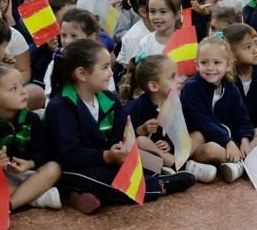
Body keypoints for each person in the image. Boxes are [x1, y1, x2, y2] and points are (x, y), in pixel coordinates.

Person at [45, 39, 166, 213]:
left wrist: (121, 149)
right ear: (81, 74)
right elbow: (68, 156)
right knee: (117, 184)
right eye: (104, 67)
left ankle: (80, 196)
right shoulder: (60, 106)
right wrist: (107, 156)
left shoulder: (109, 98)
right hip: (76, 168)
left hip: (109, 161)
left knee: (154, 162)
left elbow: (120, 133)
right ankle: (163, 185)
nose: (111, 73)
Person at [0, 64, 65, 210]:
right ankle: (34, 198)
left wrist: (29, 163)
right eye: (14, 89)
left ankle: (9, 205)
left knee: (54, 168)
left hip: (27, 175)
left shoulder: (31, 118)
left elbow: (43, 151)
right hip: (1, 179)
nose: (23, 92)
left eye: (22, 85)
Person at [180, 35, 253, 183]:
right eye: (204, 62)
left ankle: (236, 160)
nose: (210, 68)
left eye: (217, 62)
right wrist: (228, 142)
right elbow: (203, 122)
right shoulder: (192, 87)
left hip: (228, 139)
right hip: (204, 141)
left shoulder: (230, 87)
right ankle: (242, 164)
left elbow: (242, 118)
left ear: (228, 65)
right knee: (210, 148)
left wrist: (244, 139)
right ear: (197, 65)